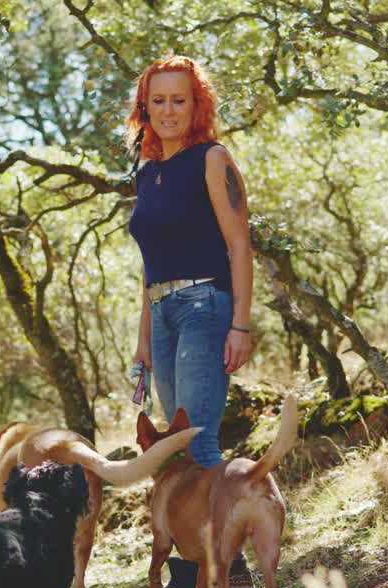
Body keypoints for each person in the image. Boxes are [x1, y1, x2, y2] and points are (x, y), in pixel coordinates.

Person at [126, 55, 253, 467]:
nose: (167, 111)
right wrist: (144, 340)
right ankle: (213, 533)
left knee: (197, 444)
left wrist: (240, 324)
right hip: (161, 316)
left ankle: (234, 530)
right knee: (178, 447)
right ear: (145, 107)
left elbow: (239, 244)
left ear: (197, 105)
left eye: (178, 100)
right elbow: (152, 264)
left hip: (205, 307)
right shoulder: (145, 174)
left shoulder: (212, 159)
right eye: (158, 101)